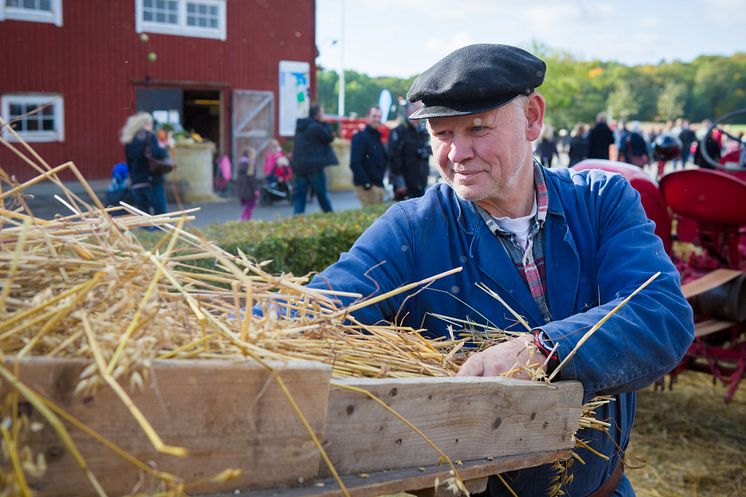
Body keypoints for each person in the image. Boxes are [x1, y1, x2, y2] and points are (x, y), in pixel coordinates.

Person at [304, 44, 693, 497]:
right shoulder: (411, 231)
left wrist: (542, 351)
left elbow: (661, 314)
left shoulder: (602, 201)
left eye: (478, 128)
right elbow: (319, 310)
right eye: (441, 132)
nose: (457, 153)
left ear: (532, 117)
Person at [120, 112, 173, 216]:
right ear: (146, 124)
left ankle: (146, 231)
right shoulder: (150, 137)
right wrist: (165, 147)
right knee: (160, 213)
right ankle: (159, 231)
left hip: (137, 181)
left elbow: (129, 162)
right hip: (151, 179)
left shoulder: (129, 139)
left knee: (143, 213)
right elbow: (158, 153)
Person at [291, 104, 337, 214]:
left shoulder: (301, 126)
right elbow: (329, 137)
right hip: (314, 166)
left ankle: (297, 220)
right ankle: (330, 217)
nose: (323, 115)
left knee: (300, 196)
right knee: (322, 194)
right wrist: (324, 123)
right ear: (317, 115)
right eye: (322, 112)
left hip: (300, 166)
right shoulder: (317, 127)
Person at [388, 101, 432, 199]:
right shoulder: (399, 132)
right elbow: (393, 159)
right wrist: (399, 183)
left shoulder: (423, 131)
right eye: (420, 109)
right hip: (405, 185)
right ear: (410, 111)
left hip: (421, 182)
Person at [350, 106, 387, 206]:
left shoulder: (377, 137)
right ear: (367, 117)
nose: (377, 119)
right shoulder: (359, 137)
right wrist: (367, 184)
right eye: (374, 116)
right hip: (367, 187)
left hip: (378, 185)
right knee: (372, 218)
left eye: (379, 117)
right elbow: (354, 163)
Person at [237, 148, 259, 221]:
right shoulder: (250, 165)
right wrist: (256, 189)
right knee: (251, 204)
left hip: (243, 189)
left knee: (249, 205)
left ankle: (246, 218)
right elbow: (252, 179)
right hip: (249, 189)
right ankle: (244, 217)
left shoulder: (241, 164)